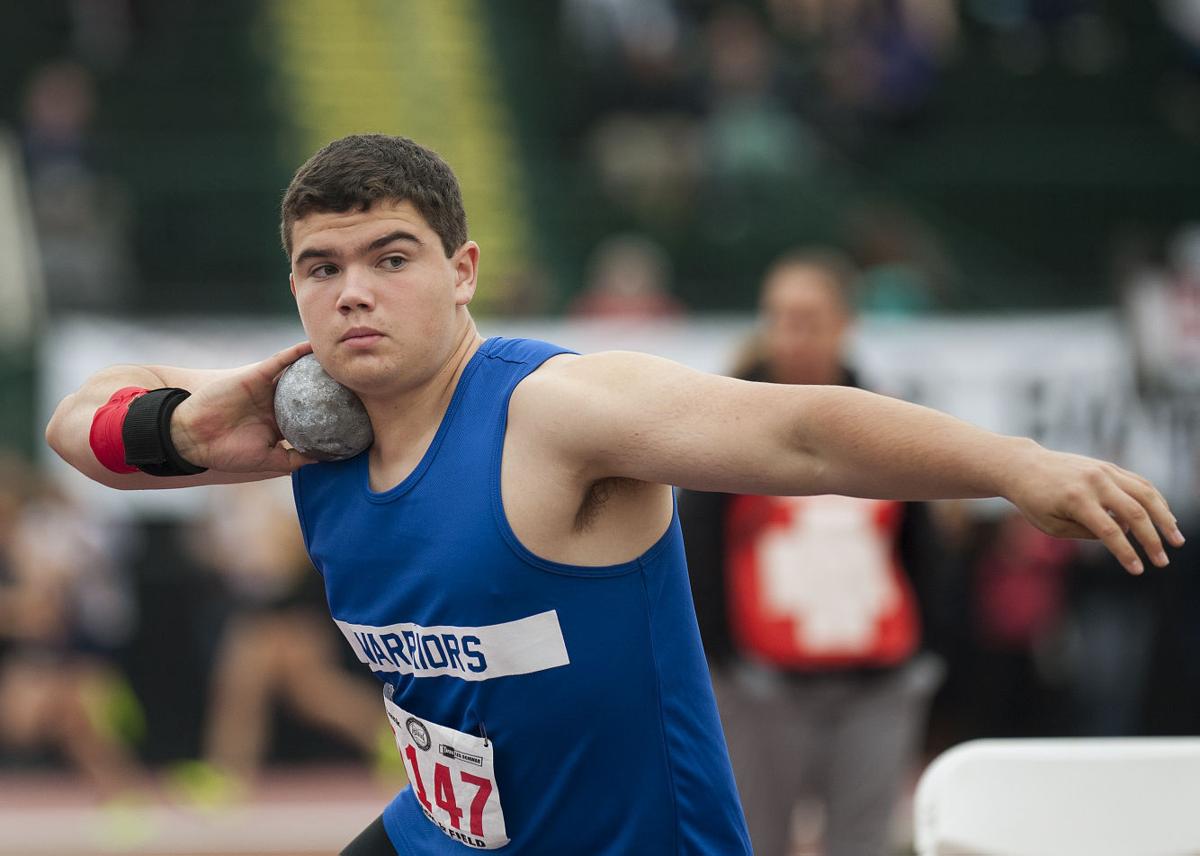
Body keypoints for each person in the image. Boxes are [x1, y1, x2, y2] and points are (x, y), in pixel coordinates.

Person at [46, 134, 1182, 856]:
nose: (354, 294)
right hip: (446, 833)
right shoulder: (303, 424)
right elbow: (76, 428)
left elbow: (799, 428)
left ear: (463, 270)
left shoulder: (553, 414)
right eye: (321, 268)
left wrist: (1015, 466)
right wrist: (188, 424)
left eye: (391, 258)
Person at [679, 249, 947, 855]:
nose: (791, 335)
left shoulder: (890, 420)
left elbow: (923, 545)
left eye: (808, 317)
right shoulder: (728, 423)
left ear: (844, 322)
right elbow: (697, 548)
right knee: (754, 839)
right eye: (778, 317)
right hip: (762, 683)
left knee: (864, 841)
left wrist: (927, 656)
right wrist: (724, 661)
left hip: (878, 677)